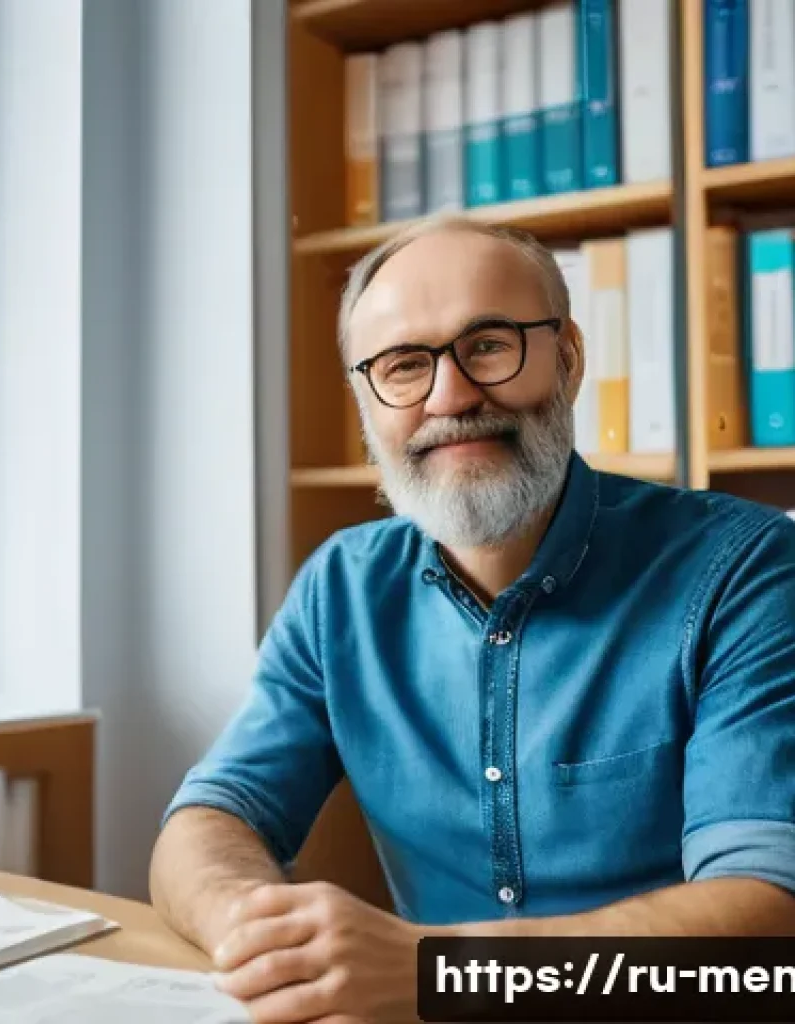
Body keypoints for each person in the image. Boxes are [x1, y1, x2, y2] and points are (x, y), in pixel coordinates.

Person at [148, 218, 795, 1023]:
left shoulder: (747, 568)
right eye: (404, 366)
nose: (449, 397)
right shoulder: (340, 588)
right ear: (365, 401)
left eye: (488, 345)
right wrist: (259, 935)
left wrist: (443, 974)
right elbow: (211, 817)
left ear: (568, 359)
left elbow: (767, 928)